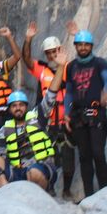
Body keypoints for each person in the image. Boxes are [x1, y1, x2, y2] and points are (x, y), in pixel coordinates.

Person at [22, 20, 78, 197]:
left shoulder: (68, 67)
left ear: (59, 51)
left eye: (55, 51)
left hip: (66, 121)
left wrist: (76, 36)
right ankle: (50, 187)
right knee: (47, 155)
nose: (53, 55)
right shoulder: (42, 70)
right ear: (46, 55)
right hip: (48, 123)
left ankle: (67, 190)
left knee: (68, 157)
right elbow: (26, 59)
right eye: (50, 53)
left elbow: (85, 62)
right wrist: (28, 39)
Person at [0, 73, 64, 192]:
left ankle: (44, 192)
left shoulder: (38, 116)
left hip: (42, 166)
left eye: (21, 105)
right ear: (9, 109)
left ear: (26, 106)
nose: (18, 108)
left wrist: (60, 66)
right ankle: (13, 194)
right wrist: (1, 177)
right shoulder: (5, 129)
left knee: (33, 173)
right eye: (14, 106)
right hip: (18, 170)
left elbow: (51, 94)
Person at [65, 30, 107, 199]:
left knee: (98, 153)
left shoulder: (99, 63)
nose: (83, 47)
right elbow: (69, 92)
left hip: (96, 115)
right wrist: (66, 114)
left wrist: (106, 92)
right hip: (78, 116)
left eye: (86, 45)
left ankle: (105, 193)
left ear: (91, 46)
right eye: (80, 45)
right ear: (76, 46)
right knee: (84, 157)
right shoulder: (71, 67)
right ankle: (89, 197)